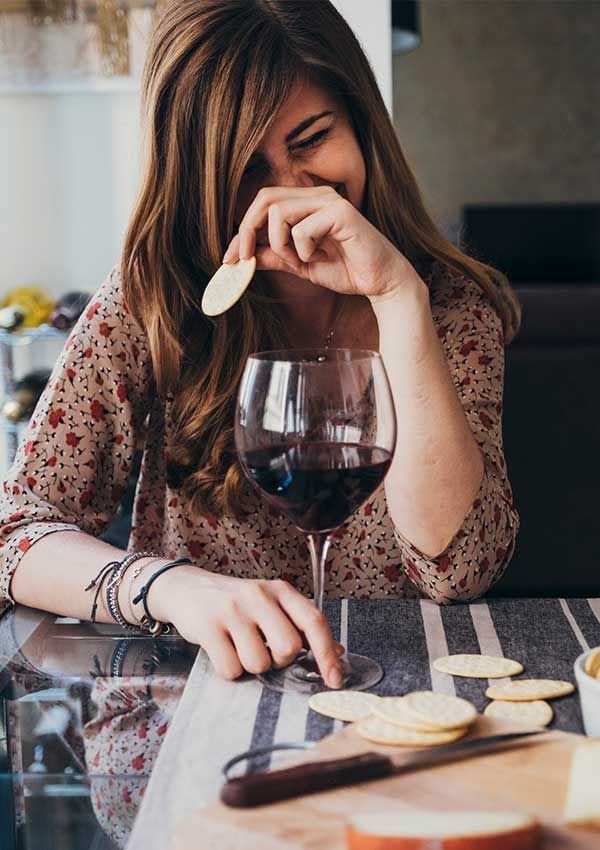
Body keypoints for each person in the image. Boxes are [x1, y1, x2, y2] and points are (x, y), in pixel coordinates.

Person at [0, 0, 520, 690]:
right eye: (246, 169)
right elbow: (15, 534)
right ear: (196, 180)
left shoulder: (446, 304)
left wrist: (398, 301)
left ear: (361, 124)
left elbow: (458, 572)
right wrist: (173, 588)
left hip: (391, 691)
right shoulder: (149, 301)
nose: (291, 191)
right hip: (190, 695)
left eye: (310, 140)